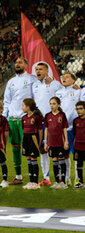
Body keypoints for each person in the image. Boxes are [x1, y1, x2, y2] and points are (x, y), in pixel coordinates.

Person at [3, 57, 37, 185]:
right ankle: (18, 176)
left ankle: (33, 177)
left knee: (29, 148)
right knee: (15, 147)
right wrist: (5, 117)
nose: (17, 64)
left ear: (26, 65)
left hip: (25, 119)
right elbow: (7, 100)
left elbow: (36, 97)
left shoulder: (32, 79)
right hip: (12, 119)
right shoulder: (11, 81)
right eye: (16, 62)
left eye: (20, 62)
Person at [33, 62, 62, 186]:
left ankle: (60, 177)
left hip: (52, 122)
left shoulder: (55, 84)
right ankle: (46, 177)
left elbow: (62, 100)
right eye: (36, 69)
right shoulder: (34, 85)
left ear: (46, 71)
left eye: (40, 69)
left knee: (55, 149)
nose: (38, 71)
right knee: (42, 150)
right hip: (39, 122)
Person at [56, 72, 81, 185]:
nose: (64, 78)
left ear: (73, 80)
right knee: (64, 154)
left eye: (67, 77)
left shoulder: (78, 92)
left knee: (76, 153)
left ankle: (77, 178)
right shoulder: (58, 93)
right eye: (63, 77)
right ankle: (67, 178)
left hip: (75, 128)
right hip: (62, 129)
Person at [44, 97, 69, 190]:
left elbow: (64, 129)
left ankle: (63, 182)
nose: (52, 105)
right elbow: (46, 129)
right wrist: (45, 142)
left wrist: (66, 141)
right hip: (52, 143)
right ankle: (56, 182)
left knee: (61, 160)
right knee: (54, 161)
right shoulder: (47, 116)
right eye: (50, 103)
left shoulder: (62, 115)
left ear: (59, 105)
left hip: (60, 142)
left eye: (54, 103)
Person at [21, 98, 43, 190]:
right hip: (25, 139)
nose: (22, 107)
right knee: (28, 159)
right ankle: (31, 181)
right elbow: (23, 130)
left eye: (23, 105)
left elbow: (40, 130)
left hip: (33, 139)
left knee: (34, 159)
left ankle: (36, 182)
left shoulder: (36, 117)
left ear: (28, 107)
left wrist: (39, 142)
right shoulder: (24, 118)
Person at [0, 101, 9, 188]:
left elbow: (6, 132)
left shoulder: (3, 119)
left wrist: (4, 144)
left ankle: (5, 180)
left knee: (2, 162)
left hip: (1, 145)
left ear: (1, 110)